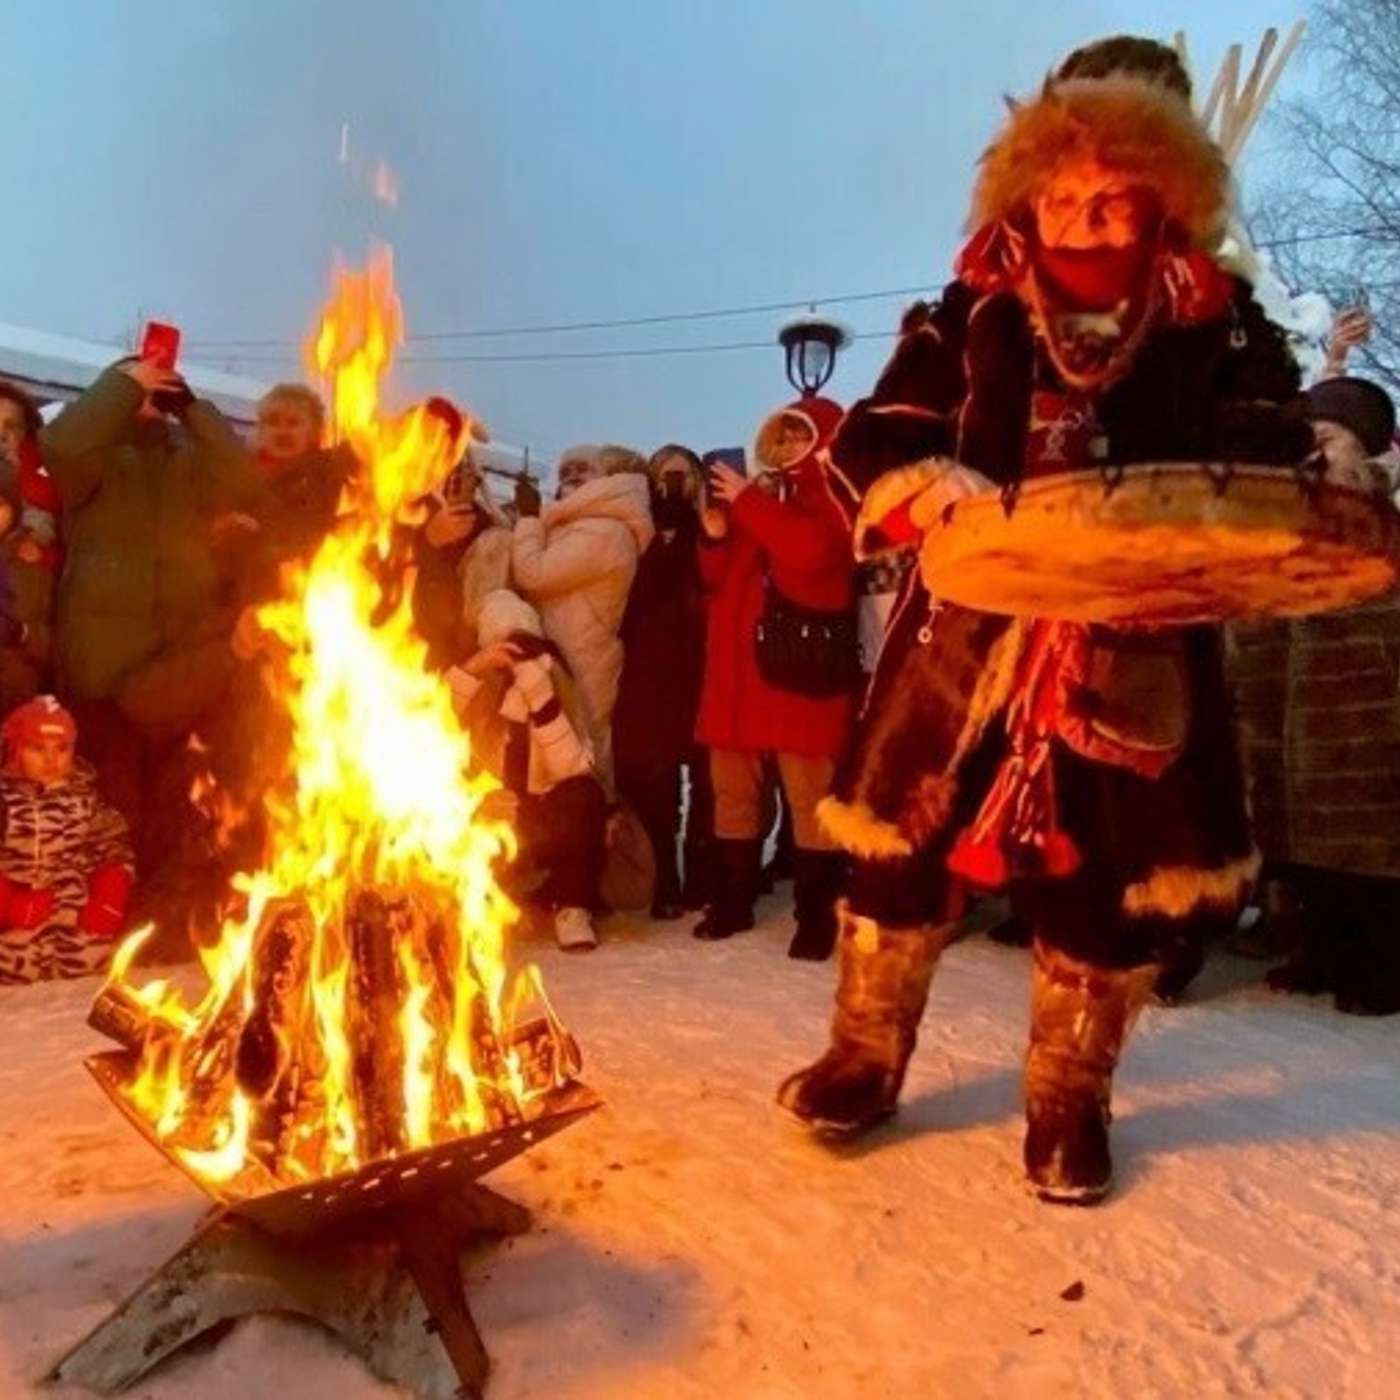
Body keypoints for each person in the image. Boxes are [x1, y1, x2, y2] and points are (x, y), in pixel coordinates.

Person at [778, 36, 1313, 1204]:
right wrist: (920, 484)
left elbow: (1277, 441)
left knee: (1102, 877)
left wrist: (1318, 460)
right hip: (965, 633)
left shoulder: (1211, 317)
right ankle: (866, 1052)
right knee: (899, 850)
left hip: (1131, 641)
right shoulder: (975, 297)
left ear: (1166, 181)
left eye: (1115, 189)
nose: (1083, 210)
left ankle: (1068, 1092)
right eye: (1063, 185)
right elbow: (879, 429)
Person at [38, 356, 266, 882]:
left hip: (181, 676)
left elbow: (244, 479)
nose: (150, 391)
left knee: (178, 821)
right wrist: (122, 384)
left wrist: (193, 410)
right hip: (106, 680)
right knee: (112, 823)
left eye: (159, 382)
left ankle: (159, 936)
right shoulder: (95, 464)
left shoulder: (191, 462)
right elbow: (61, 445)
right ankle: (105, 933)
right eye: (139, 383)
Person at [1232, 373, 1400, 1015]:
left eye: (1327, 437)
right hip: (1288, 726)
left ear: (1365, 446)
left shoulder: (1382, 517)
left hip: (1367, 720)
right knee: (1309, 855)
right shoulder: (1280, 517)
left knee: (1372, 859)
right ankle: (1320, 955)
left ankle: (1380, 971)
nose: (1316, 453)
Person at [694, 397, 856, 958]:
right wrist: (716, 534)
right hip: (739, 676)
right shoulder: (761, 495)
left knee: (812, 803)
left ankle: (817, 918)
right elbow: (718, 578)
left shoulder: (834, 494)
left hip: (798, 678)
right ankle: (731, 904)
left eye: (798, 435)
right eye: (782, 436)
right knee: (731, 795)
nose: (787, 447)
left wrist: (750, 502)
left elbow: (811, 555)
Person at [449, 589, 608, 951]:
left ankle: (571, 908)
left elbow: (572, 768)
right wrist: (474, 669)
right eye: (505, 648)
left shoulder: (553, 683)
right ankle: (477, 907)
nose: (514, 658)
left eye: (524, 646)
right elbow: (423, 731)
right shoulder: (476, 690)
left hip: (542, 814)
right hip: (489, 813)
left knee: (584, 795)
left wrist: (540, 697)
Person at [510, 445, 654, 790]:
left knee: (576, 763)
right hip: (563, 656)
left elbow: (533, 573)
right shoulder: (574, 525)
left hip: (581, 660)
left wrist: (528, 519)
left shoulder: (605, 531)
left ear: (605, 481)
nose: (571, 475)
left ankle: (585, 836)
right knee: (552, 759)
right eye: (565, 470)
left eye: (582, 469)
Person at [613, 445, 711, 919]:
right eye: (664, 476)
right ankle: (664, 880)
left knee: (708, 784)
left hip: (701, 668)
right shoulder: (639, 531)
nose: (673, 485)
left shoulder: (708, 528)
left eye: (682, 476)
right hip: (649, 673)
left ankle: (701, 879)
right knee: (659, 785)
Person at [0, 696, 134, 984]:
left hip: (73, 913)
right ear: (15, 751)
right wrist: (8, 903)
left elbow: (111, 845)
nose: (51, 760)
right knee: (13, 980)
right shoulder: (5, 800)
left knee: (88, 972)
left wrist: (111, 891)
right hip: (15, 916)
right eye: (38, 749)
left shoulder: (84, 797)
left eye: (62, 749)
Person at [0, 383, 62, 712]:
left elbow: (52, 640)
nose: (1, 436)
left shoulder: (43, 534)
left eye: (11, 426)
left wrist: (21, 633)